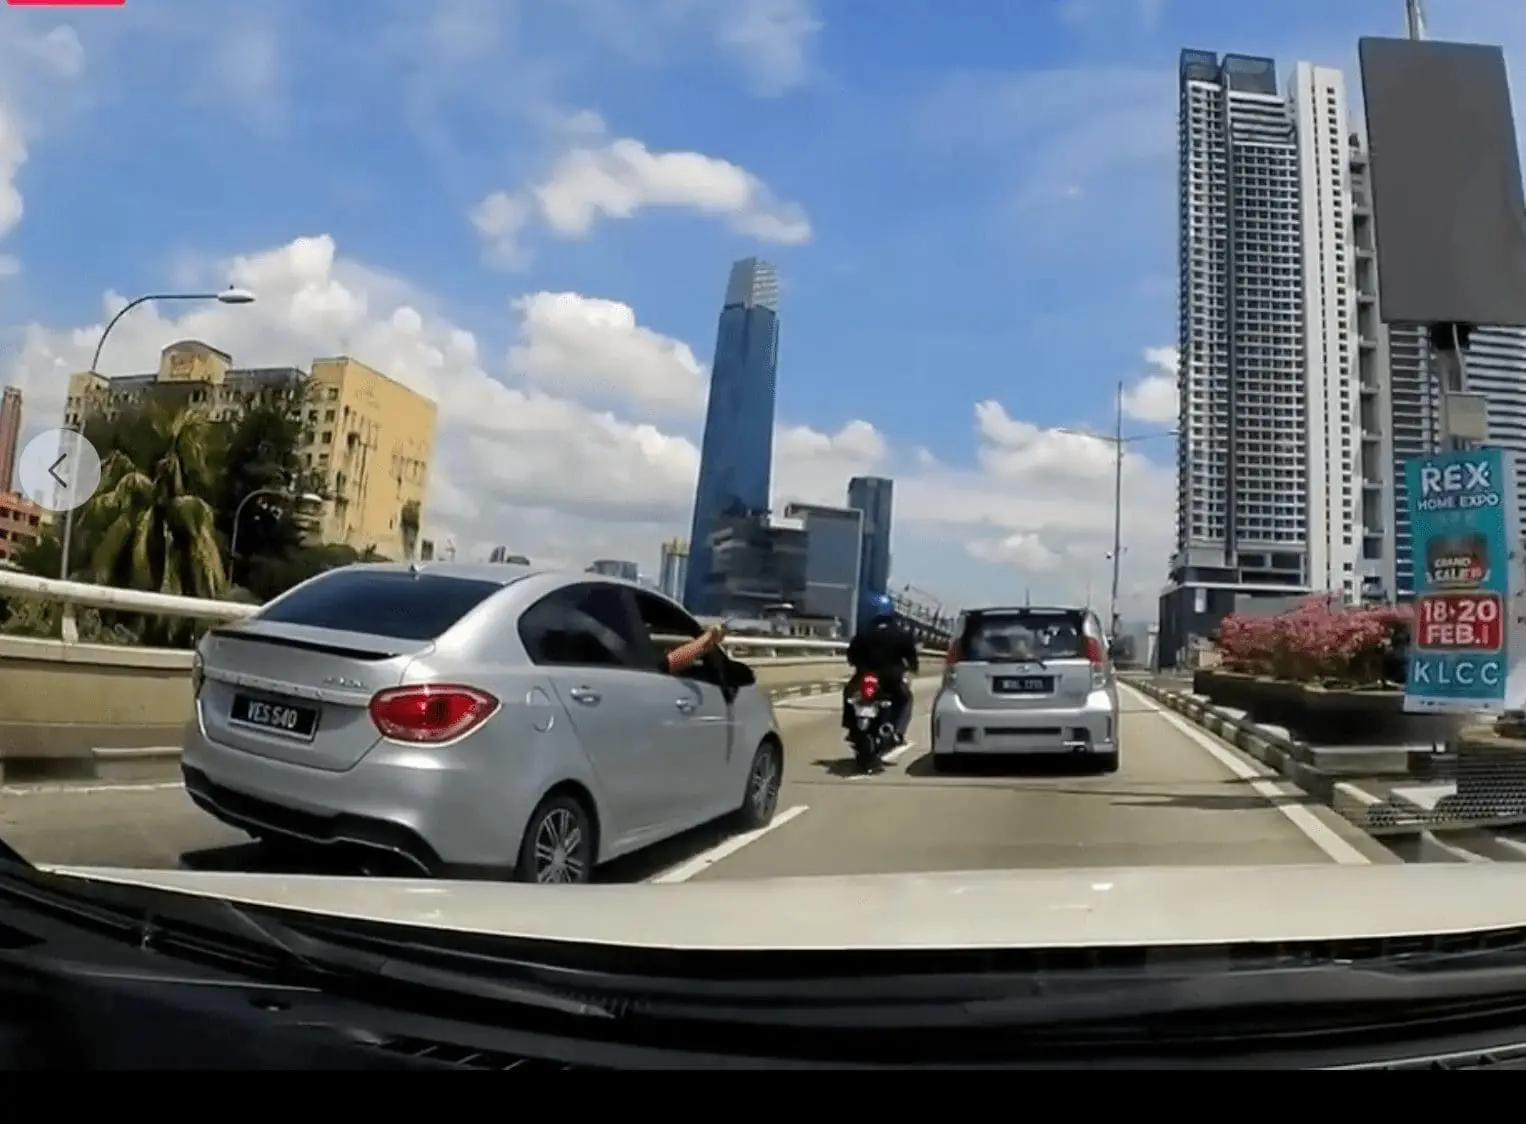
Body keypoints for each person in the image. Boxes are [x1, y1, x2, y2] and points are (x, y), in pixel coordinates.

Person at [842, 594, 920, 754]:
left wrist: (859, 665)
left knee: (849, 695)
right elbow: (911, 656)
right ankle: (897, 731)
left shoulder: (864, 634)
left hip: (866, 677)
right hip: (891, 679)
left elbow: (851, 655)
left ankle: (851, 727)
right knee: (905, 699)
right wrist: (913, 668)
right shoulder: (900, 634)